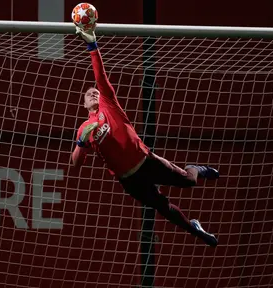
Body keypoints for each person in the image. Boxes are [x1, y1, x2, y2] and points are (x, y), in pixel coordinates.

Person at [71, 27, 219, 247]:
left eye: (96, 91)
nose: (93, 93)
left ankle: (195, 168)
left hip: (146, 161)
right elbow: (75, 164)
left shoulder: (109, 104)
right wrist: (81, 143)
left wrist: (92, 44)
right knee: (162, 207)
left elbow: (99, 74)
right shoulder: (84, 128)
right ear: (83, 104)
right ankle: (194, 228)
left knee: (189, 181)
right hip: (129, 179)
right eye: (88, 94)